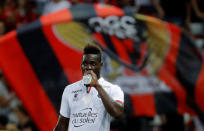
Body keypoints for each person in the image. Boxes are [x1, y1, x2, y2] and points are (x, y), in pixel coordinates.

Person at [54, 44, 124, 131]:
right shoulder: (69, 89)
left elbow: (117, 113)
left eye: (93, 64)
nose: (88, 68)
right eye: (84, 64)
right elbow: (62, 124)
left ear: (100, 65)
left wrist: (97, 86)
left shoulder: (113, 89)